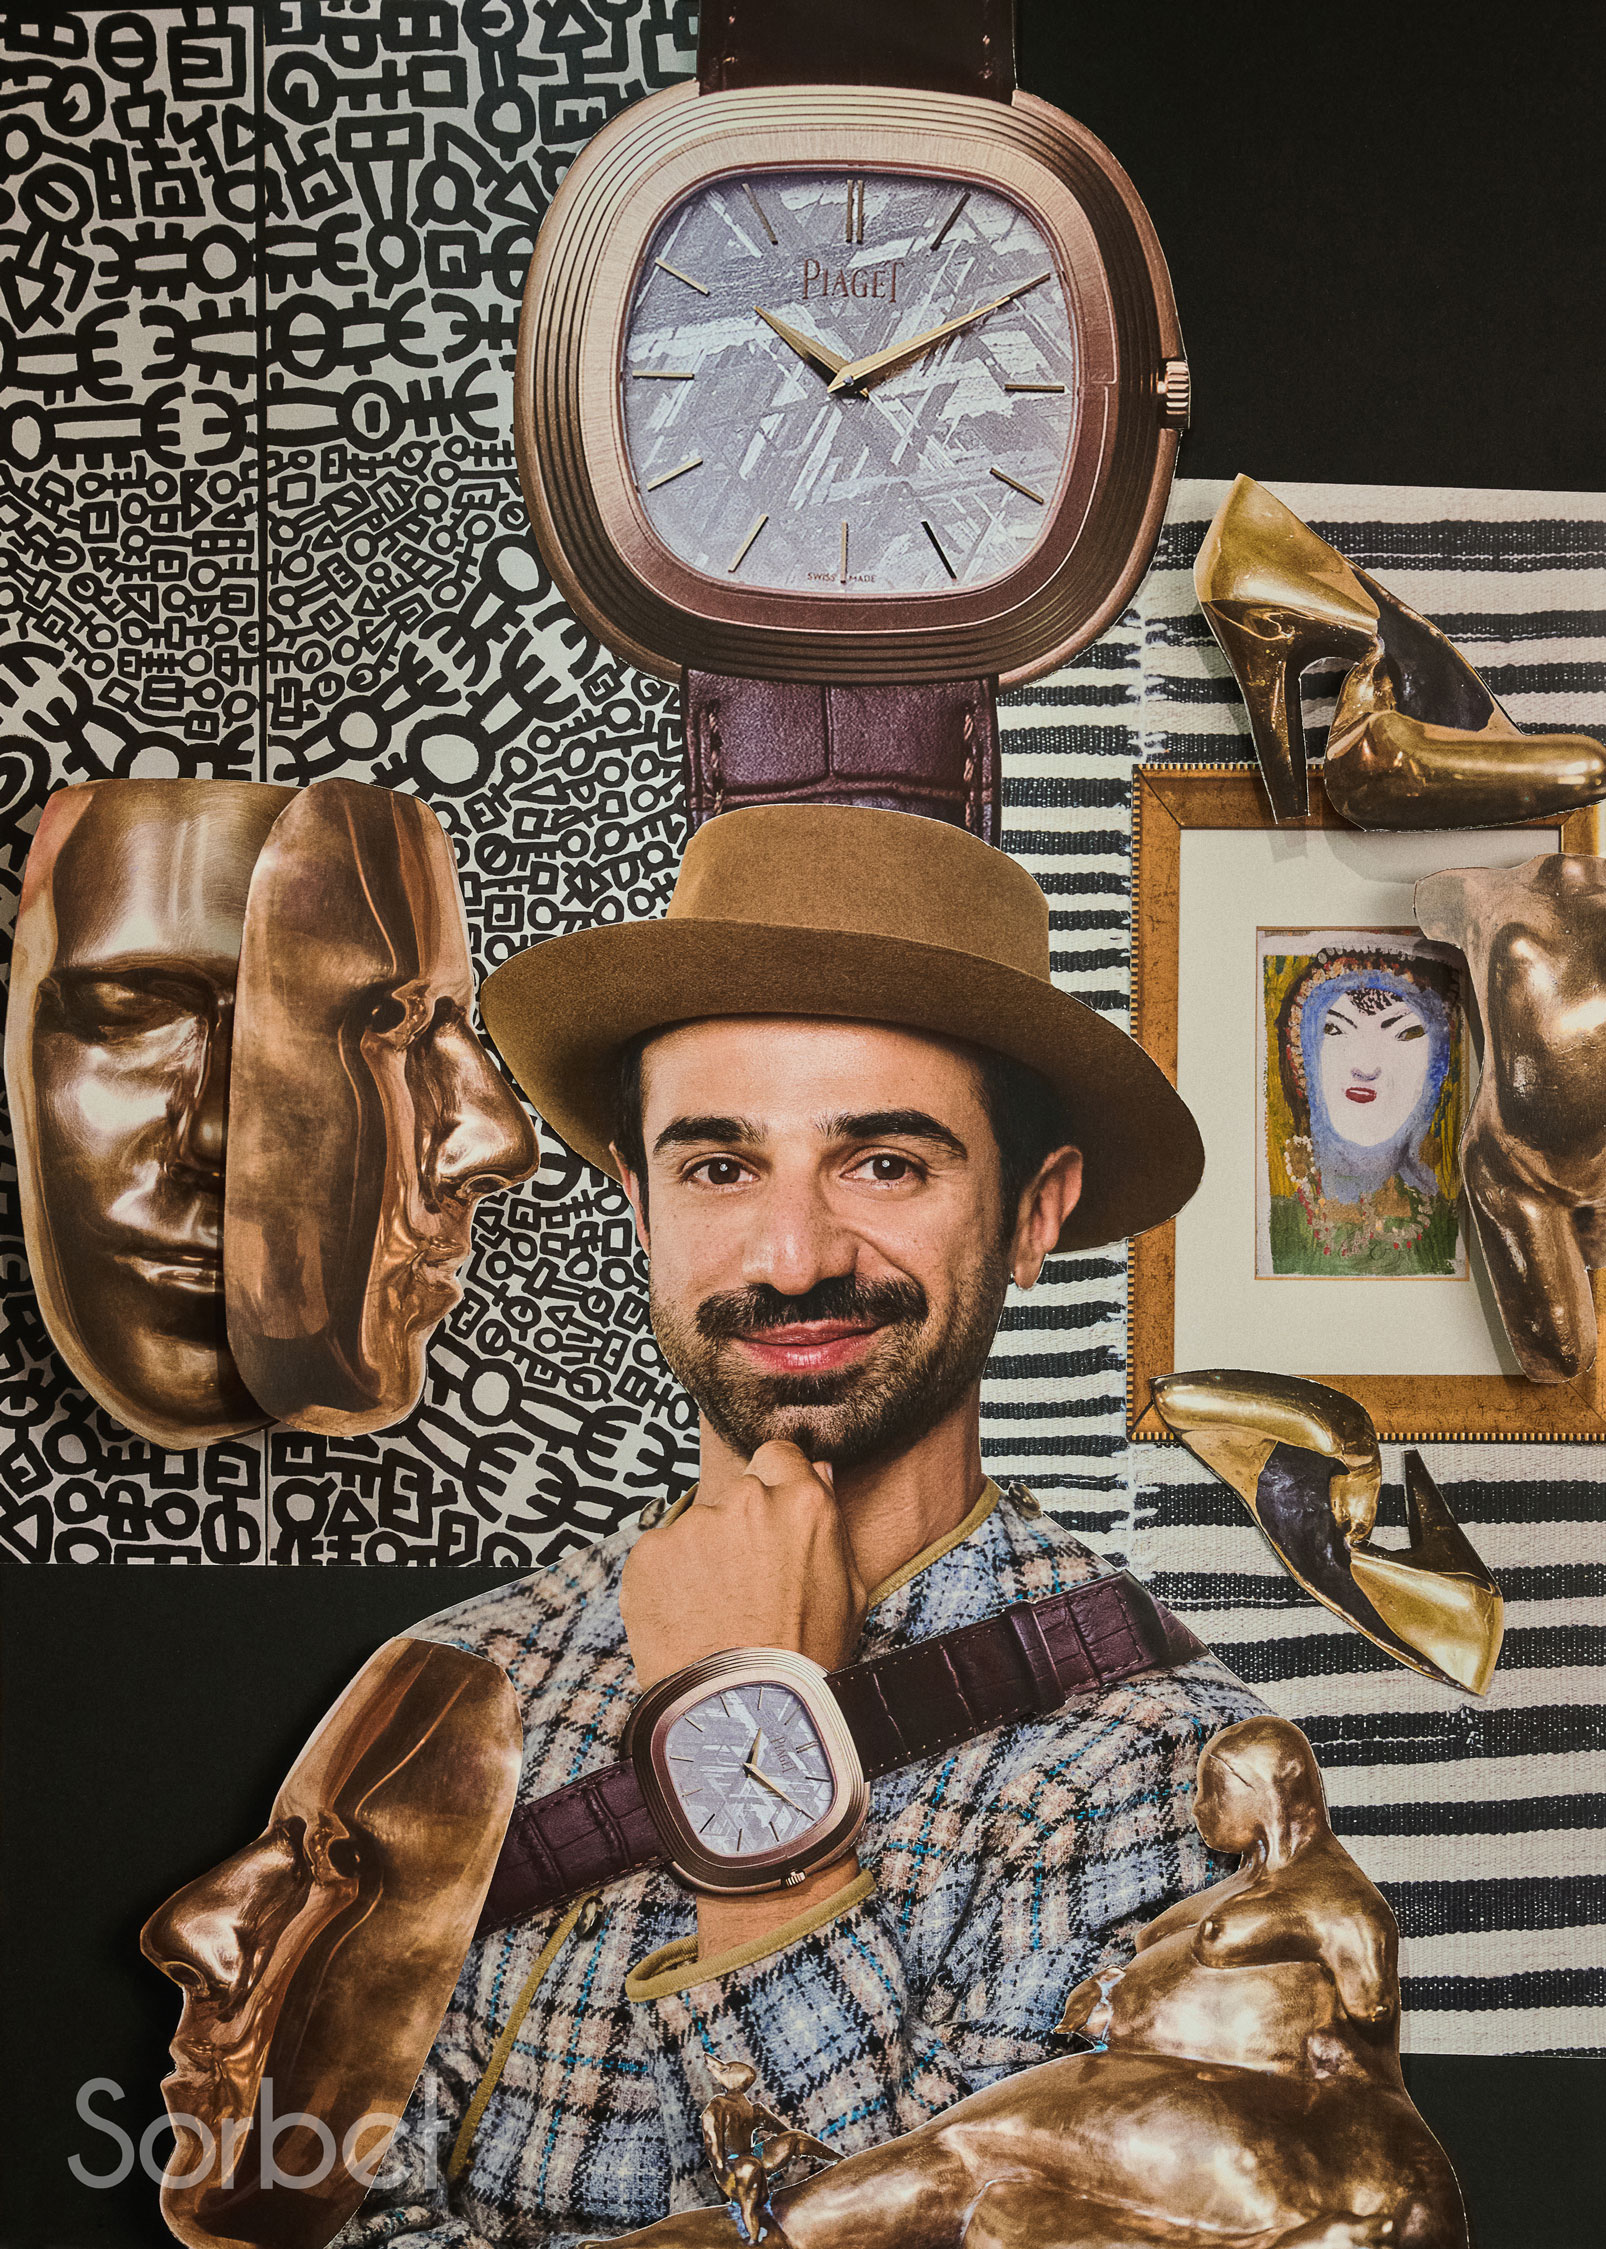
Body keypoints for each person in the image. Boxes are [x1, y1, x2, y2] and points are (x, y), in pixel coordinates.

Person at [288, 804, 1266, 2245]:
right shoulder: (460, 1680)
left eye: (885, 1162)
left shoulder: (1161, 1767)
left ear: (1032, 1211)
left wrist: (747, 1743)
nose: (793, 1254)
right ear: (638, 1200)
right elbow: (317, 2204)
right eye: (718, 1165)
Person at [613, 1718, 1466, 2249]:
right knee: (994, 2205)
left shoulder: (1327, 1897)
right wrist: (1121, 1990)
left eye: (1213, 1795)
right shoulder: (1232, 1886)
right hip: (1175, 2122)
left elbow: (1367, 2010)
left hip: (1262, 2137)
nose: (1200, 1813)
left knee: (957, 2160)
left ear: (1257, 1790)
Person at [1269, 945, 1462, 1277]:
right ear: (1302, 1055)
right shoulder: (1271, 1225)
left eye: (1405, 1033)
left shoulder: (1457, 1231)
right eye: (1335, 1029)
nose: (1365, 1067)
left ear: (1438, 1064)